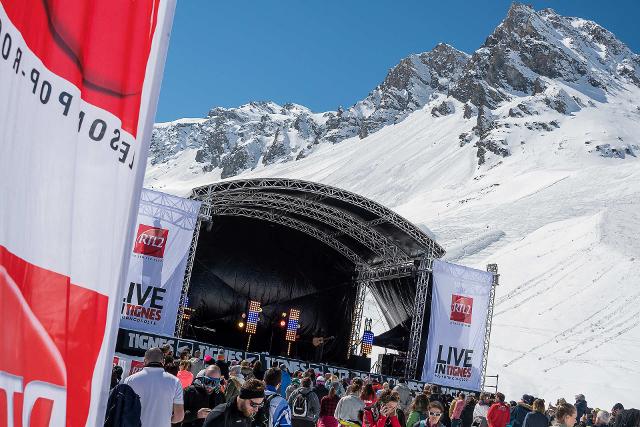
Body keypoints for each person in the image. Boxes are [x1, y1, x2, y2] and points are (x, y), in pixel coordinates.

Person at [123, 347, 184, 426]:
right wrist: (165, 419)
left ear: (145, 361)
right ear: (163, 361)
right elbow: (179, 416)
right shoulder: (175, 381)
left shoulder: (129, 380)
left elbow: (124, 410)